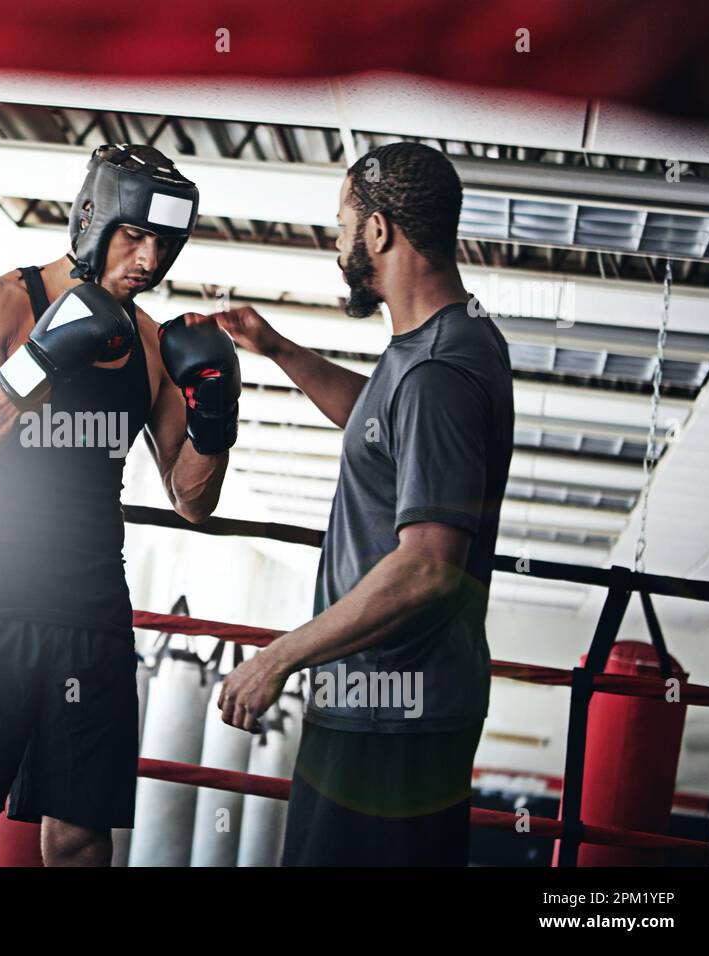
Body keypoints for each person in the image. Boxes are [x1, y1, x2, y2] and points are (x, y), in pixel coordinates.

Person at [0, 144, 238, 866]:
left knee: (81, 835)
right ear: (91, 219)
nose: (148, 258)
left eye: (164, 243)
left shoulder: (150, 346)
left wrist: (216, 418)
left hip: (89, 609)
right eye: (134, 234)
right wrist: (39, 360)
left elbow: (192, 500)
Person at [214, 141, 515, 866]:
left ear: (379, 231)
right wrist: (279, 349)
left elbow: (429, 568)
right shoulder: (436, 345)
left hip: (391, 719)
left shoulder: (438, 371)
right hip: (386, 707)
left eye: (344, 221)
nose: (338, 241)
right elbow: (379, 424)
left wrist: (277, 659)